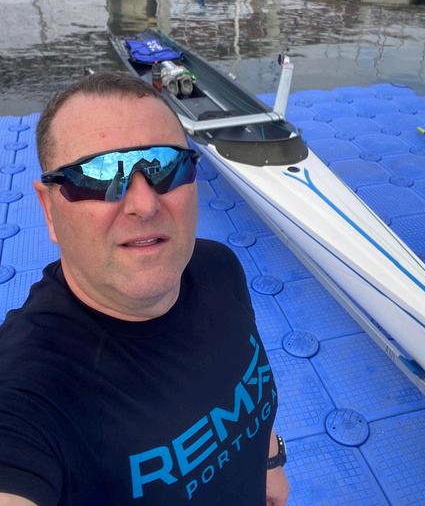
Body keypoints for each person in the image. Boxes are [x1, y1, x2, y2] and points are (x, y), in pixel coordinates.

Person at [0, 72, 290, 505]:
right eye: (99, 174)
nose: (144, 204)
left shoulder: (218, 267)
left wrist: (269, 460)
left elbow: (247, 386)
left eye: (165, 167)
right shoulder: (27, 391)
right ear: (48, 207)